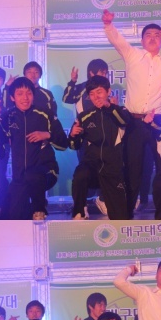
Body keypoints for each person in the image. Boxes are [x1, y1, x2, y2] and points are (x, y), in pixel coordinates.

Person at [102, 9, 161, 213]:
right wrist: (108, 24)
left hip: (158, 122)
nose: (153, 38)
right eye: (148, 35)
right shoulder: (132, 55)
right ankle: (127, 213)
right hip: (134, 122)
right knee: (133, 169)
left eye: (157, 35)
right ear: (142, 40)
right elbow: (117, 40)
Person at [0, 76, 68, 219]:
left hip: (47, 172)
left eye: (29, 93)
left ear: (33, 95)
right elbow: (0, 143)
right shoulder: (8, 116)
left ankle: (39, 209)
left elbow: (64, 144)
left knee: (33, 175)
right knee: (8, 215)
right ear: (13, 97)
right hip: (20, 177)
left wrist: (47, 135)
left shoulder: (46, 114)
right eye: (20, 94)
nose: (25, 98)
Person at [69, 77, 128, 220]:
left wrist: (109, 106)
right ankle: (79, 212)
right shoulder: (85, 116)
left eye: (99, 92)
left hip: (113, 168)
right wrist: (73, 135)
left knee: (120, 217)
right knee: (80, 174)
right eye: (92, 94)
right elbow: (74, 145)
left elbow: (124, 121)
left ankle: (107, 204)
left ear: (108, 91)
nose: (96, 97)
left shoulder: (120, 111)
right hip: (92, 165)